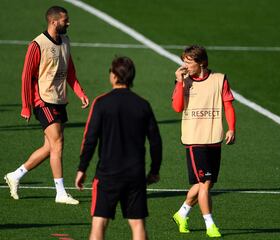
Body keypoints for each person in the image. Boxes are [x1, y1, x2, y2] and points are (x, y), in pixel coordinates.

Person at [4, 6, 89, 205]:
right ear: (53, 22)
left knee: (50, 147)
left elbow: (70, 72)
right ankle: (60, 192)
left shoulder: (66, 41)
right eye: (65, 20)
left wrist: (80, 92)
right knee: (58, 142)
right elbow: (26, 76)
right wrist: (26, 105)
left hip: (59, 100)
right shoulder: (37, 44)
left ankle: (16, 175)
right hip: (43, 100)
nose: (68, 23)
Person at [75, 56, 162, 240]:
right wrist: (154, 170)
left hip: (107, 174)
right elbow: (156, 141)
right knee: (137, 224)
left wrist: (82, 169)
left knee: (99, 223)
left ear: (114, 76)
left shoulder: (101, 103)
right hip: (135, 174)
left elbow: (90, 139)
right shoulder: (142, 105)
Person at [171, 45, 236, 238]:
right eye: (184, 61)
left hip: (213, 137)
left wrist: (231, 128)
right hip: (193, 138)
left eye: (189, 62)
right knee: (205, 182)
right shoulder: (183, 81)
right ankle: (210, 225)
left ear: (202, 63)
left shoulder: (219, 79)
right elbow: (177, 107)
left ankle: (182, 213)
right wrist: (179, 82)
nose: (185, 65)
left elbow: (228, 105)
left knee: (205, 184)